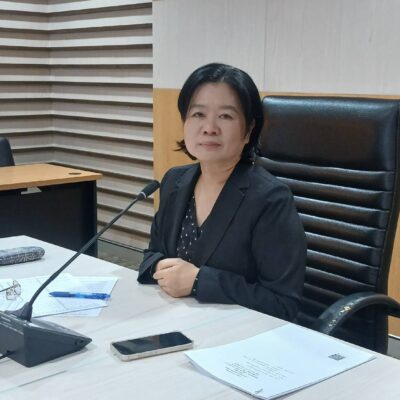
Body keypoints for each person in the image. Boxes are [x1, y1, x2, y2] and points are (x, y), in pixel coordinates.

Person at [137, 63, 306, 321]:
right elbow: (152, 256)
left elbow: (282, 305)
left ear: (249, 130)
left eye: (225, 116)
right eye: (198, 114)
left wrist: (199, 281)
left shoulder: (269, 199)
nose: (209, 127)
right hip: (175, 321)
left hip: (236, 333)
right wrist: (160, 267)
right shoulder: (174, 181)